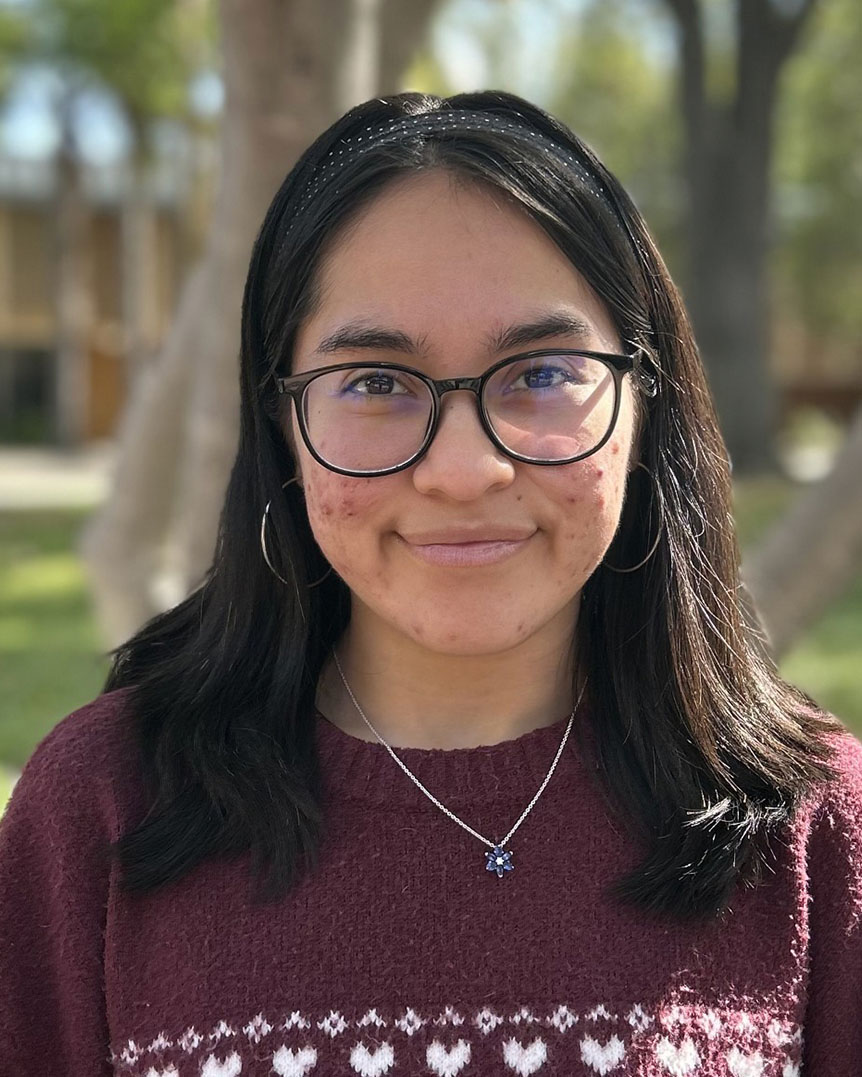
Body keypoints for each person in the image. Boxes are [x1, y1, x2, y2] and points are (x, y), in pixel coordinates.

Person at [0, 90, 860, 1076]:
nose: (461, 471)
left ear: (642, 401)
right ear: (282, 424)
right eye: (376, 382)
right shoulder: (103, 808)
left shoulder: (816, 830)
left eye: (541, 373)